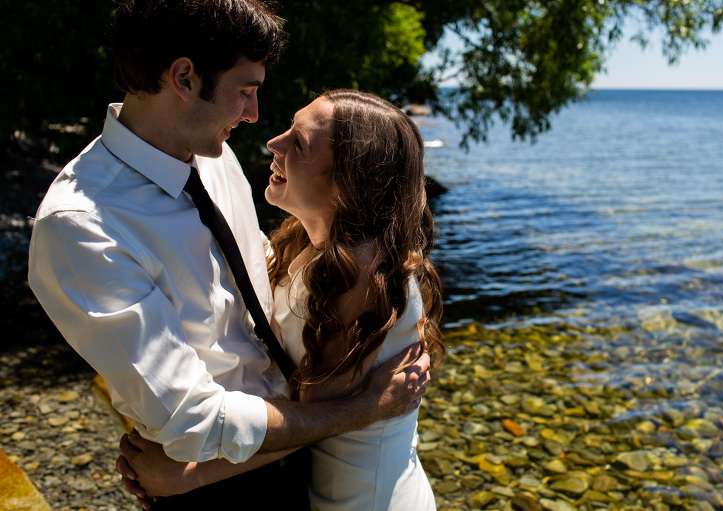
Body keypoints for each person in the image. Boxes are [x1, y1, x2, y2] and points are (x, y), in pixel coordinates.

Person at [27, 1, 429, 509]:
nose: (254, 116)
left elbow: (252, 270)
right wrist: (364, 409)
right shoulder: (83, 228)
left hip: (298, 452)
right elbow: (194, 419)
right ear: (184, 77)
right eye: (245, 91)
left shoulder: (214, 155)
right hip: (221, 481)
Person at [119, 90, 445, 510]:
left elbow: (311, 424)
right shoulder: (308, 242)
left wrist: (185, 478)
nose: (274, 143)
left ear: (347, 182)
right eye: (290, 128)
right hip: (313, 481)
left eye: (300, 144)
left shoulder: (364, 275)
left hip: (364, 495)